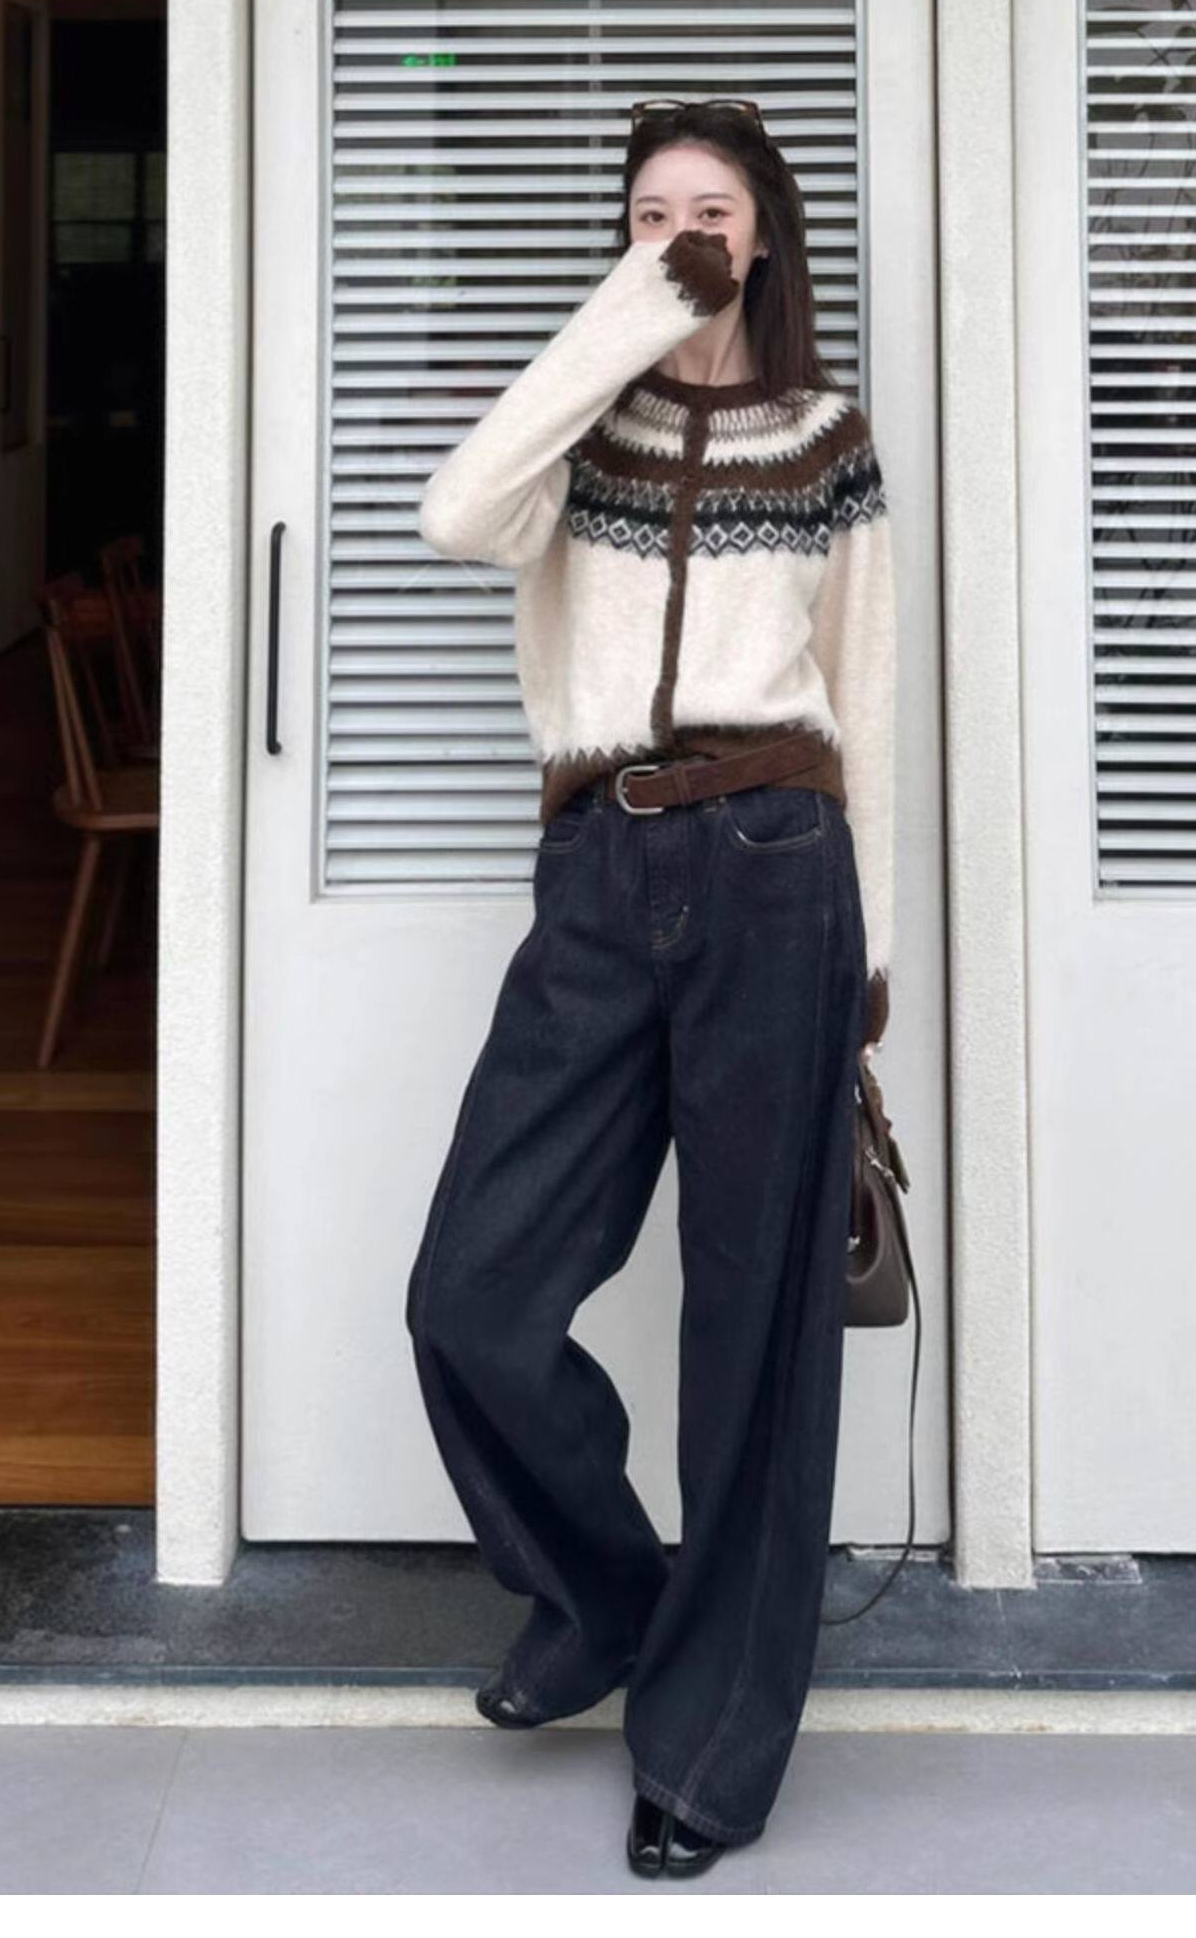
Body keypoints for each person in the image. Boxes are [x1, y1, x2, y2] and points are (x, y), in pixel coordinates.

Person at [402, 96, 896, 1880]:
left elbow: (867, 692)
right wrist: (623, 317)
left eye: (711, 208)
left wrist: (873, 969)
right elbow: (456, 514)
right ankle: (605, 1595)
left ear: (765, 234)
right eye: (647, 209)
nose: (680, 229)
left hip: (781, 867)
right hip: (600, 873)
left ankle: (709, 1750)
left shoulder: (828, 437)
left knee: (755, 1325)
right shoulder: (576, 424)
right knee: (473, 1290)